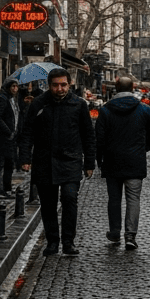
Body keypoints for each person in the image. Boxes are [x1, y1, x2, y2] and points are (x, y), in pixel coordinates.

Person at [19, 68, 95, 256]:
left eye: (63, 85)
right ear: (49, 85)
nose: (59, 89)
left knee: (70, 199)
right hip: (44, 161)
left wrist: (90, 163)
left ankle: (68, 241)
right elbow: (27, 132)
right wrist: (25, 158)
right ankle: (52, 241)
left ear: (69, 85)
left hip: (70, 160)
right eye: (55, 85)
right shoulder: (38, 103)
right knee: (48, 203)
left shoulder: (79, 105)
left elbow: (88, 135)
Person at [96, 76, 150, 250]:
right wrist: (142, 149)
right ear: (133, 87)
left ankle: (115, 232)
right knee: (133, 199)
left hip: (112, 160)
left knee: (114, 199)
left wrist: (99, 159)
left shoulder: (106, 110)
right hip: (134, 160)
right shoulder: (144, 110)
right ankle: (130, 235)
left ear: (115, 88)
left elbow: (99, 139)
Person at [0, 79, 20, 198]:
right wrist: (7, 131)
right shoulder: (1, 98)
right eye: (13, 86)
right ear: (7, 87)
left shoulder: (11, 99)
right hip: (1, 139)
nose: (15, 89)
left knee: (9, 163)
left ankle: (7, 189)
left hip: (10, 139)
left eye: (16, 86)